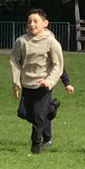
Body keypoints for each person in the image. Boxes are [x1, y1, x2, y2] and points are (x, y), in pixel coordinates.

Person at [10, 9, 64, 154]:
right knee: (24, 113)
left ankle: (36, 144)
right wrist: (16, 81)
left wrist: (49, 81)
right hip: (27, 84)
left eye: (35, 21)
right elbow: (15, 60)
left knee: (39, 116)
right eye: (29, 22)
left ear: (45, 23)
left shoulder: (51, 42)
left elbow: (58, 64)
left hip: (43, 85)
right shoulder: (21, 41)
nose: (32, 24)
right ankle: (51, 110)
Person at [17, 68, 74, 148]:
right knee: (22, 112)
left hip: (44, 86)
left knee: (41, 114)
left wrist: (67, 83)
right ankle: (51, 109)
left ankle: (46, 139)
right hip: (28, 86)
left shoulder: (48, 56)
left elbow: (58, 66)